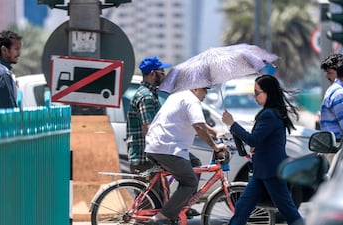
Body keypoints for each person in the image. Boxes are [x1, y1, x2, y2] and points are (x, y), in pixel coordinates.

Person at [221, 75, 304, 225]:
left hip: (272, 171)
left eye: (257, 92)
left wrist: (232, 124)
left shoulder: (269, 114)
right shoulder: (272, 112)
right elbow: (265, 140)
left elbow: (253, 139)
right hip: (263, 171)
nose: (255, 96)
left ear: (268, 93)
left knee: (288, 211)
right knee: (242, 207)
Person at [145, 86, 227, 224]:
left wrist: (215, 132)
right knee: (190, 182)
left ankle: (183, 206)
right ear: (195, 88)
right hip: (167, 149)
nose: (206, 93)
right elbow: (199, 127)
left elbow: (199, 122)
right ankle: (161, 217)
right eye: (204, 89)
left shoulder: (179, 95)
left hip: (160, 146)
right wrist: (215, 146)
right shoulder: (191, 100)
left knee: (195, 163)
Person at [126, 56, 171, 174]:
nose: (164, 76)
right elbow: (148, 128)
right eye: (162, 73)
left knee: (159, 192)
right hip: (144, 159)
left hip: (146, 158)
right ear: (152, 74)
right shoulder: (146, 96)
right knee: (152, 193)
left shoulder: (150, 94)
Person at [319, 55, 343, 142]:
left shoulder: (341, 92)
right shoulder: (339, 94)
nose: (327, 77)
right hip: (338, 148)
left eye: (329, 72)